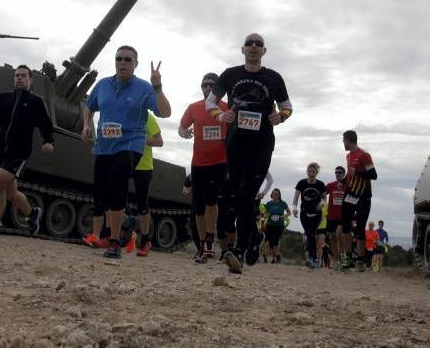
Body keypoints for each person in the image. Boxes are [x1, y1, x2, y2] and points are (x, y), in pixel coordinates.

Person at [206, 33, 293, 274]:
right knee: (238, 196)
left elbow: (287, 107)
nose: (253, 47)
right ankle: (254, 237)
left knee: (246, 194)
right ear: (242, 49)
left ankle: (240, 251)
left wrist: (280, 117)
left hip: (262, 144)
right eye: (249, 44)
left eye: (258, 44)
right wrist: (221, 116)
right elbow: (211, 103)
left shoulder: (273, 78)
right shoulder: (230, 74)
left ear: (264, 51)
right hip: (235, 143)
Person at [81, 46, 171, 259]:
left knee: (116, 182)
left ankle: (114, 241)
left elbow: (166, 112)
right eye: (119, 58)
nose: (122, 62)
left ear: (135, 64)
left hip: (131, 144)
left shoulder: (144, 88)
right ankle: (126, 226)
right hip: (104, 146)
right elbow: (89, 106)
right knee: (102, 191)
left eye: (127, 59)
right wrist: (86, 125)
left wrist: (157, 87)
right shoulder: (103, 85)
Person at [0, 65, 54, 241]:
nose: (19, 78)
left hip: (20, 152)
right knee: (10, 193)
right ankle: (32, 213)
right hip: (3, 149)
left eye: (23, 75)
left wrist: (48, 141)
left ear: (30, 79)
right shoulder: (4, 98)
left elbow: (46, 125)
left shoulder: (36, 102)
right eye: (17, 75)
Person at [178, 72, 227, 263]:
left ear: (217, 88)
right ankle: (202, 245)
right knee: (198, 204)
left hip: (220, 161)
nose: (208, 88)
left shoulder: (226, 107)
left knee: (211, 199)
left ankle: (209, 237)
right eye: (205, 85)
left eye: (211, 85)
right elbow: (182, 127)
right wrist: (184, 133)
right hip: (198, 162)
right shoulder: (194, 107)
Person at [341, 130, 378, 268]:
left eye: (343, 140)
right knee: (345, 225)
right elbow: (350, 175)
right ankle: (348, 257)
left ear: (348, 140)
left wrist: (357, 172)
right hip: (350, 193)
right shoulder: (348, 156)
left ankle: (361, 260)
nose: (343, 143)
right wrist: (343, 181)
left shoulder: (364, 155)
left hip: (363, 195)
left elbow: (373, 175)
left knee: (360, 227)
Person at [132, 112, 163, 256]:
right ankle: (116, 236)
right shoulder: (124, 113)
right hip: (124, 161)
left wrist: (140, 138)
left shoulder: (149, 118)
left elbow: (159, 141)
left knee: (142, 205)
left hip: (143, 167)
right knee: (116, 200)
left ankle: (145, 241)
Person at [292, 162, 326, 269]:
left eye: (313, 172)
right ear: (307, 172)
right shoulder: (302, 183)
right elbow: (296, 197)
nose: (311, 173)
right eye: (309, 171)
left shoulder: (320, 184)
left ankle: (313, 258)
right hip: (304, 213)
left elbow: (325, 198)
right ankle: (313, 258)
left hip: (316, 214)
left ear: (317, 173)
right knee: (309, 234)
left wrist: (322, 203)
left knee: (311, 234)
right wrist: (294, 208)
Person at [326, 166, 348, 270]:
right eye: (336, 172)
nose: (337, 174)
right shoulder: (330, 185)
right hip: (331, 216)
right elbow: (322, 194)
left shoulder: (347, 186)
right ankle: (336, 261)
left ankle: (344, 258)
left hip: (343, 216)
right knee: (333, 239)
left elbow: (352, 198)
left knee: (339, 235)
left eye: (339, 172)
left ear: (344, 174)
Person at [263, 188, 290, 263]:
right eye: (273, 194)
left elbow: (289, 213)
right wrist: (267, 215)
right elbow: (265, 214)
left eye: (276, 194)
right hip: (269, 224)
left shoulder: (283, 203)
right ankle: (267, 255)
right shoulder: (268, 204)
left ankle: (273, 258)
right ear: (271, 195)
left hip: (279, 225)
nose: (275, 195)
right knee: (268, 241)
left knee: (275, 241)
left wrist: (283, 216)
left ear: (279, 195)